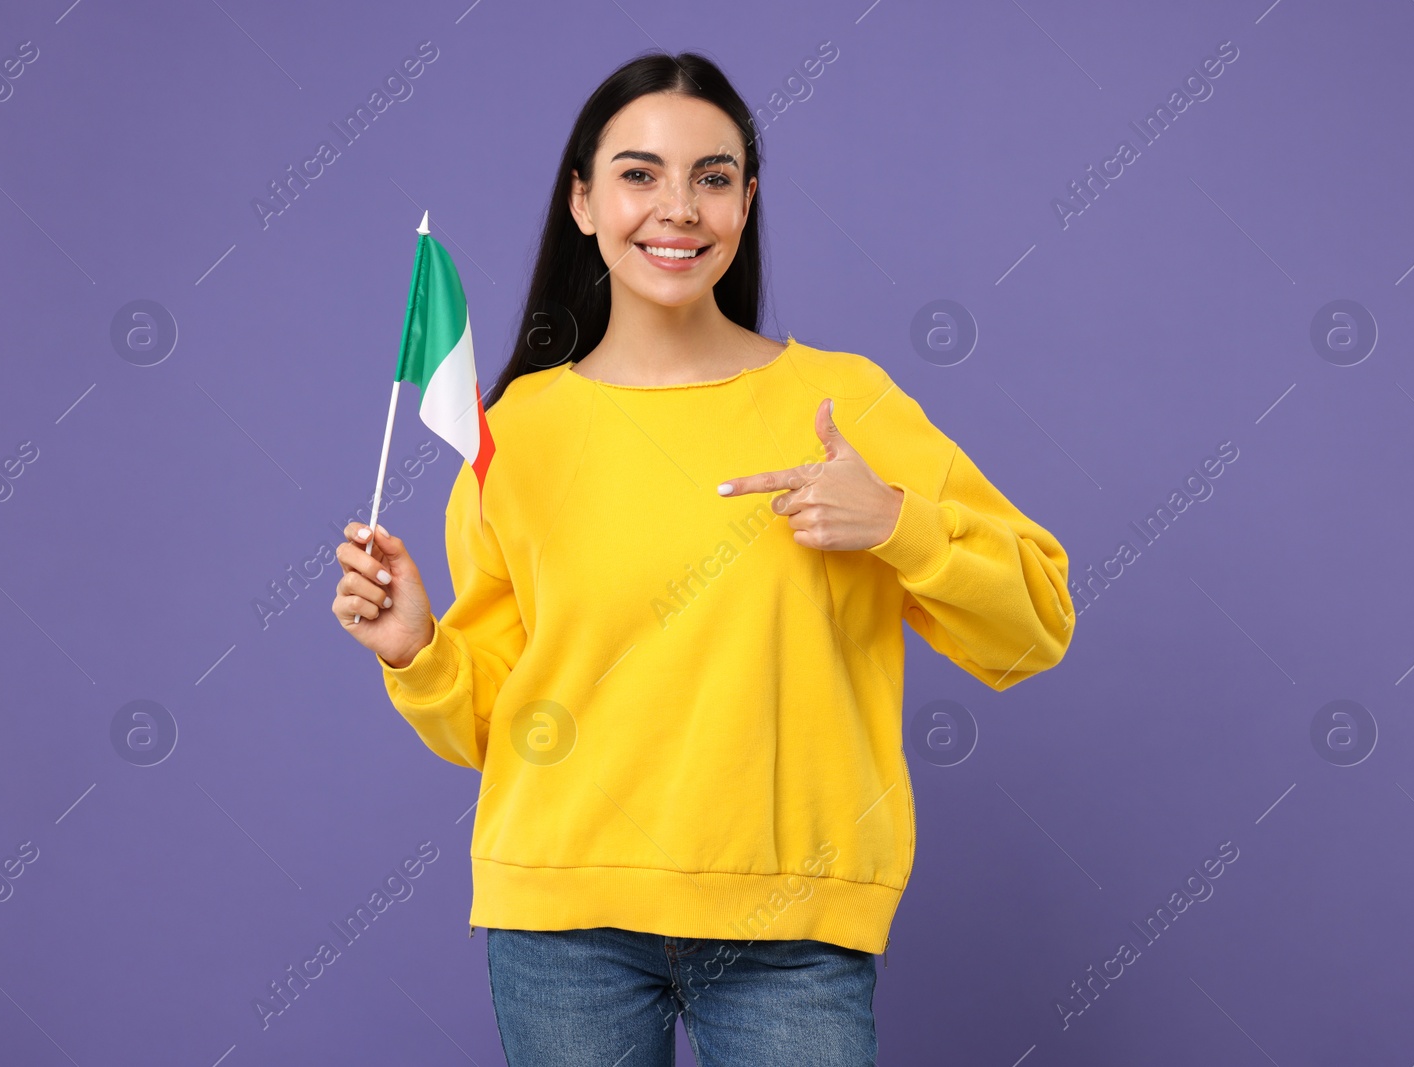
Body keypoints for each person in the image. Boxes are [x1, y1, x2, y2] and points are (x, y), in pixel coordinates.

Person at [332, 49, 1075, 1067]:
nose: (676, 207)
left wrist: (896, 520)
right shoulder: (518, 431)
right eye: (639, 174)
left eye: (711, 177)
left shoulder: (842, 404)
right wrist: (415, 648)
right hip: (562, 921)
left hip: (793, 931)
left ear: (745, 201)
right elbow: (505, 728)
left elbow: (1036, 622)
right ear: (583, 201)